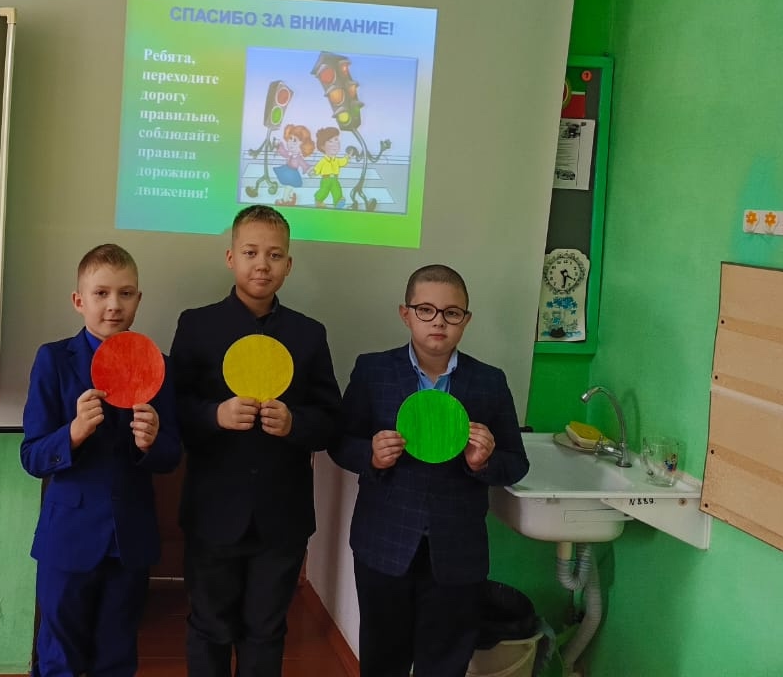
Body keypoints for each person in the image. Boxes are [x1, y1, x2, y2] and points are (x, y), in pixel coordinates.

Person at [329, 264, 529, 677]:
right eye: (426, 310)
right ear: (406, 315)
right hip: (383, 544)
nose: (439, 321)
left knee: (445, 664)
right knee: (382, 660)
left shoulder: (489, 382)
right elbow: (340, 442)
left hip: (458, 552)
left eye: (451, 313)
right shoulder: (373, 371)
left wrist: (484, 462)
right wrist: (371, 455)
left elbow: (516, 463)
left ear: (466, 320)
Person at [170, 205, 341, 677]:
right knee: (209, 626)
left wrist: (295, 423)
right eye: (250, 252)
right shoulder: (197, 325)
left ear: (289, 264)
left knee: (266, 630)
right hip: (212, 512)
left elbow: (331, 420)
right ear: (231, 258)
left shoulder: (309, 335)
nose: (262, 264)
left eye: (274, 255)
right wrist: (215, 415)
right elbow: (174, 409)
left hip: (281, 517)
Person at [20, 243, 182, 677]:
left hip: (130, 539)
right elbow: (32, 456)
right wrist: (72, 433)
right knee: (58, 656)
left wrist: (151, 443)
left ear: (139, 299)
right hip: (68, 538)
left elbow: (172, 455)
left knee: (117, 655)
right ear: (79, 301)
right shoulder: (54, 360)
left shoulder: (157, 366)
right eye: (101, 293)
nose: (114, 305)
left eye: (125, 294)